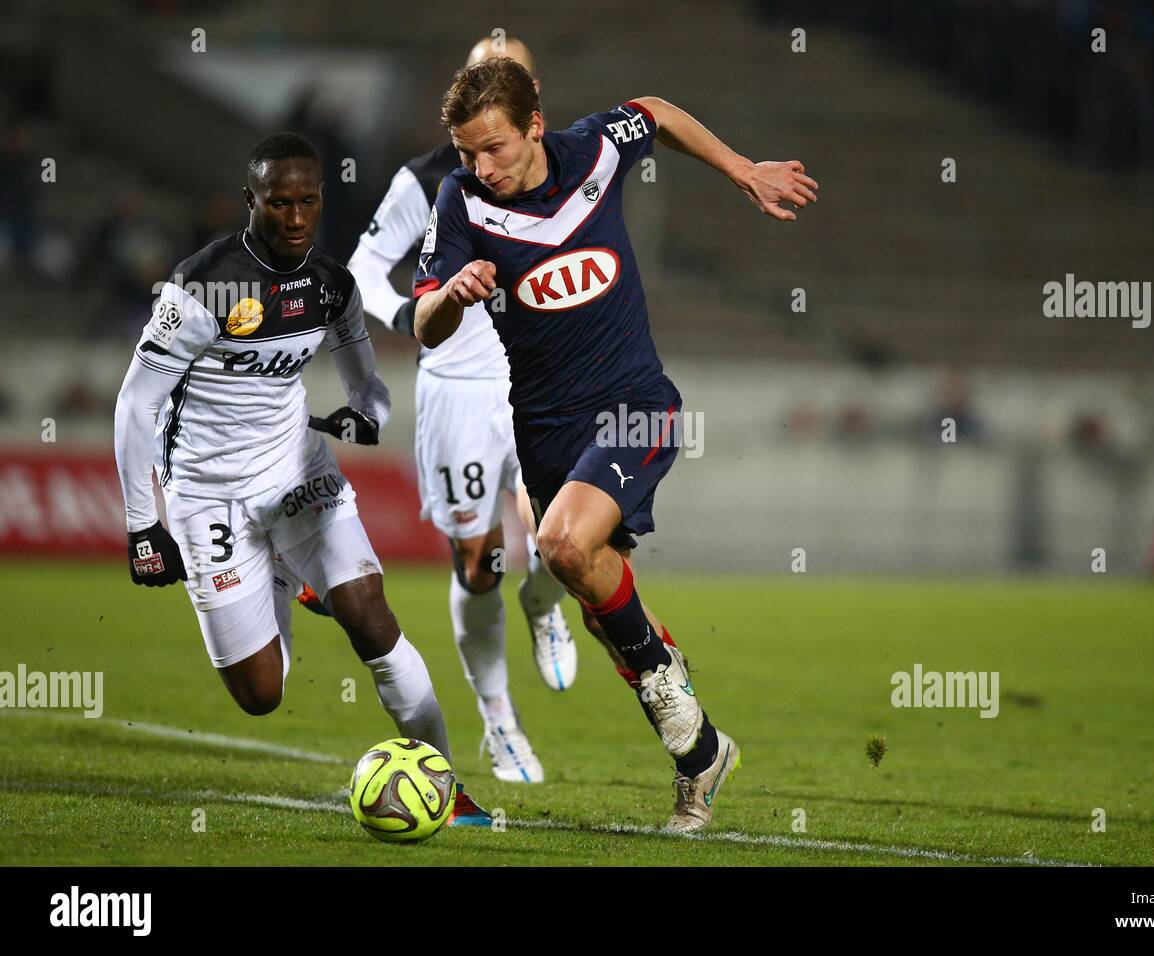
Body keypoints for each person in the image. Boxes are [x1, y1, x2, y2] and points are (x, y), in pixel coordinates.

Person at [412, 59, 818, 830]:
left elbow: (657, 109)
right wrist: (452, 299)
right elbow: (422, 318)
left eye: (494, 147)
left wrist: (740, 170)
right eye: (467, 153)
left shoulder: (597, 149)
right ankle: (700, 754)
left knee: (562, 544)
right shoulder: (460, 200)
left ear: (535, 125)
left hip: (636, 404)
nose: (480, 166)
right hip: (546, 432)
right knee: (602, 610)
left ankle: (679, 708)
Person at [113, 132, 488, 826]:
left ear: (320, 200)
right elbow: (137, 402)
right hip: (209, 496)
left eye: (307, 202)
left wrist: (361, 417)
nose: (294, 217)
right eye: (278, 202)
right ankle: (289, 576)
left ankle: (449, 784)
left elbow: (370, 388)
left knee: (369, 616)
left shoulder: (330, 285)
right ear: (251, 201)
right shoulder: (204, 285)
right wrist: (144, 524)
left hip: (297, 475)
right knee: (262, 693)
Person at [347, 36, 573, 785]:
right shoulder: (433, 178)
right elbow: (363, 271)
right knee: (479, 565)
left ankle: (544, 603)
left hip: (541, 378)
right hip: (457, 389)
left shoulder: (564, 165)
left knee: (560, 541)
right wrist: (418, 316)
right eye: (477, 75)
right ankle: (499, 722)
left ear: (530, 92)